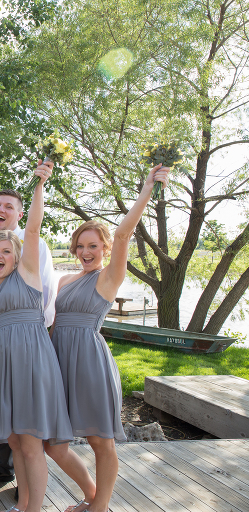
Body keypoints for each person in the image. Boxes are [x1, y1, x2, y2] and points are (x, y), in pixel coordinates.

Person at [44, 164, 171, 512]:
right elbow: (53, 324)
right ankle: (91, 494)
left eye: (93, 246)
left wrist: (147, 188)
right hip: (59, 362)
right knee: (53, 444)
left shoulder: (108, 278)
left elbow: (125, 233)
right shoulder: (64, 281)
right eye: (80, 246)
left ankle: (99, 507)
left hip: (90, 362)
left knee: (102, 442)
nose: (86, 252)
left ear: (104, 247)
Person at [0, 162, 72, 512]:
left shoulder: (28, 275)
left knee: (31, 443)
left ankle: (33, 508)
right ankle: (23, 505)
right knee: (16, 441)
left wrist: (40, 184)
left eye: (6, 251)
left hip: (32, 363)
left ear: (17, 256)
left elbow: (32, 230)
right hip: (2, 370)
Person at [0, 189, 57, 490]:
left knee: (27, 423)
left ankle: (28, 483)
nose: (1, 209)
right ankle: (2, 467)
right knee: (6, 415)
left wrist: (36, 338)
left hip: (29, 341)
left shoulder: (33, 247)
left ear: (19, 213)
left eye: (9, 206)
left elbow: (45, 291)